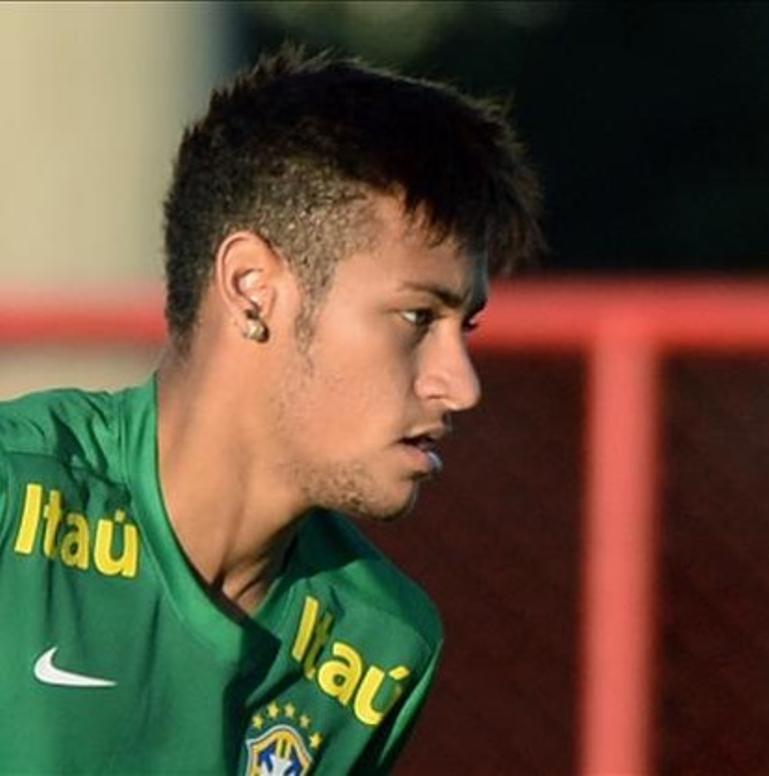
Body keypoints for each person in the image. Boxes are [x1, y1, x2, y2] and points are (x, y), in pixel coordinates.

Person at [0, 45, 542, 774]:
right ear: (254, 288)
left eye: (464, 328)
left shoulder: (381, 645)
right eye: (417, 317)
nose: (461, 384)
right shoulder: (15, 501)